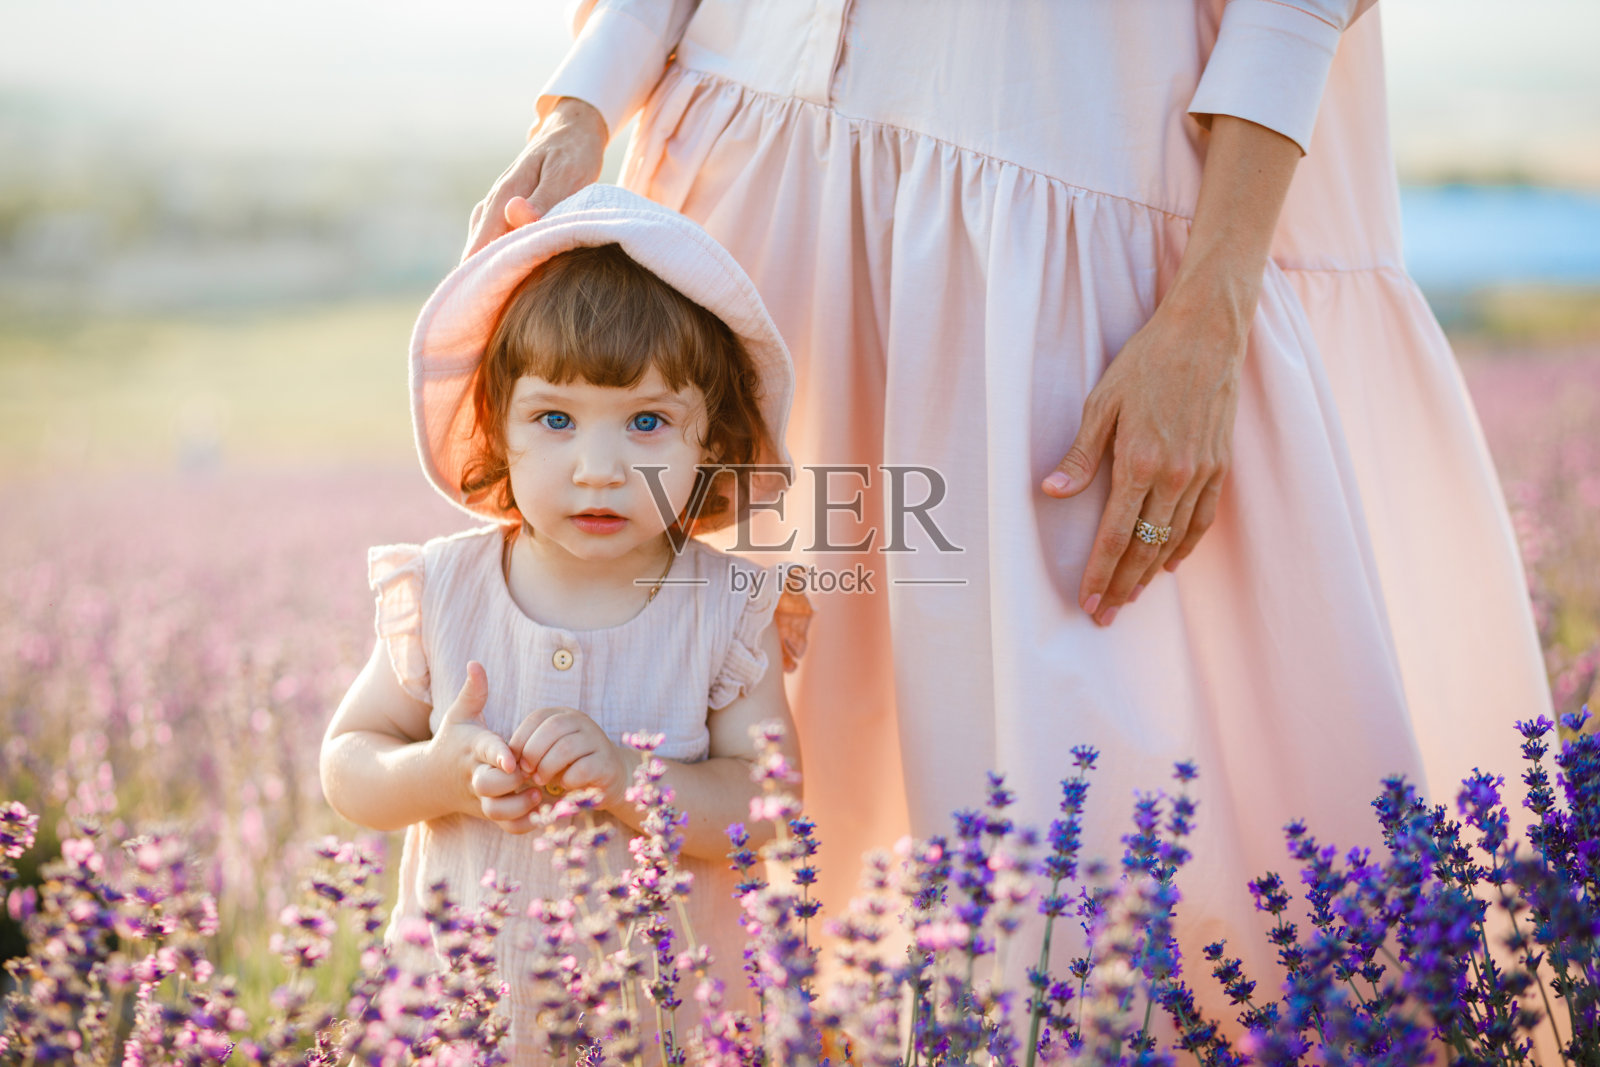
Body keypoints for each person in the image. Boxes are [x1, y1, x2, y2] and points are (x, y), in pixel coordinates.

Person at [466, 0, 1554, 1029]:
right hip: (747, 214)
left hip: (1056, 233)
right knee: (743, 837)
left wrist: (1211, 308)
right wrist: (579, 106)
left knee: (1097, 886)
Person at [319, 183, 800, 1062]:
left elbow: (768, 803)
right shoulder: (444, 588)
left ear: (713, 442)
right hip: (467, 1019)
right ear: (498, 432)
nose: (598, 468)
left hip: (666, 1023)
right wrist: (436, 772)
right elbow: (348, 764)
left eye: (649, 421)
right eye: (554, 418)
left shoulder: (727, 607)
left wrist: (630, 781)